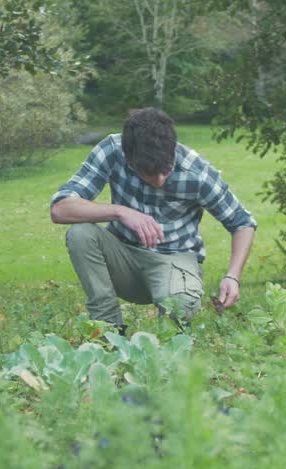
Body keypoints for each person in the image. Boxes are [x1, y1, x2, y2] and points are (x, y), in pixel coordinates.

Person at [50, 108, 257, 331]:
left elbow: (242, 223)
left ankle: (167, 341)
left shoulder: (198, 173)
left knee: (180, 307)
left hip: (174, 259)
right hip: (123, 257)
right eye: (148, 172)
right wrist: (120, 211)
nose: (159, 180)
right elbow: (61, 209)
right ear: (129, 159)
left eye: (165, 169)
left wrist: (232, 277)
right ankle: (108, 330)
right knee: (80, 233)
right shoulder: (112, 150)